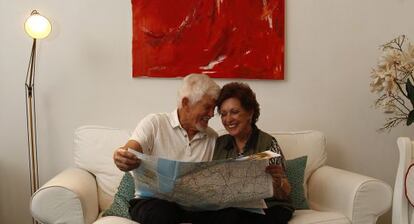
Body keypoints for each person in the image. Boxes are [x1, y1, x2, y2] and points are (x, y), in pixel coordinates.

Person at [113, 73, 221, 224]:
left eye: (214, 108)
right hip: (152, 203)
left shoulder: (213, 138)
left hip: (194, 207)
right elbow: (131, 149)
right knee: (162, 214)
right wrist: (122, 155)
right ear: (186, 103)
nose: (211, 114)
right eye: (207, 107)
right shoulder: (155, 123)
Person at [213, 82, 294, 224]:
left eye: (234, 112)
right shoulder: (219, 144)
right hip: (233, 208)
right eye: (223, 114)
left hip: (269, 207)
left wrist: (277, 182)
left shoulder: (267, 143)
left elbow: (285, 193)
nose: (228, 119)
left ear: (250, 112)